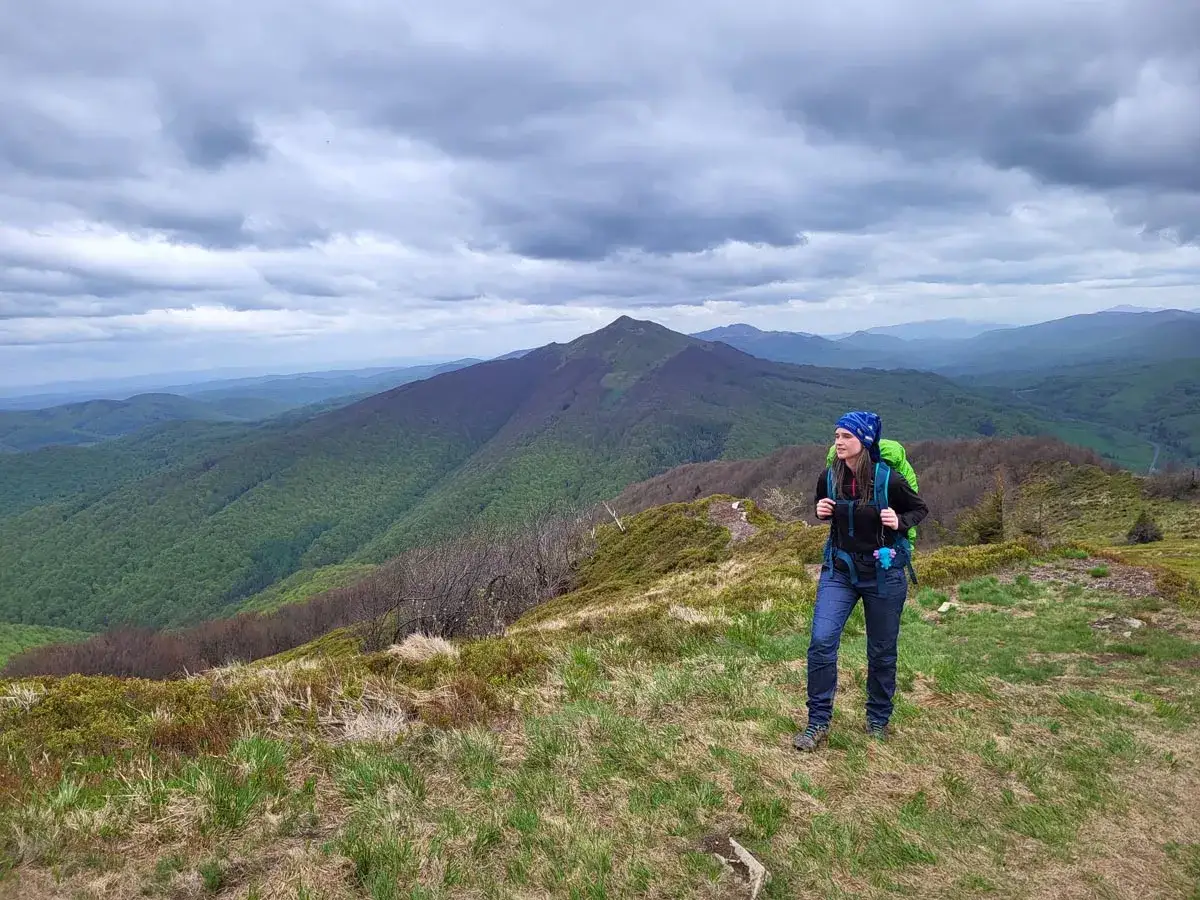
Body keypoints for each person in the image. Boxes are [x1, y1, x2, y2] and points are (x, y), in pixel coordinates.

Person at [793, 411, 928, 751]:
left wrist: (899, 520)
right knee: (821, 642)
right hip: (840, 570)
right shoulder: (830, 477)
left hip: (884, 574)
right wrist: (819, 510)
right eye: (837, 435)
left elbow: (919, 509)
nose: (838, 441)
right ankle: (817, 722)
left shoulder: (889, 480)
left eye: (847, 436)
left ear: (864, 442)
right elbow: (821, 507)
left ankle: (878, 720)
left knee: (881, 651)